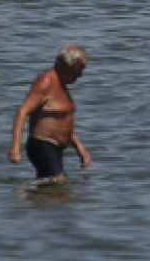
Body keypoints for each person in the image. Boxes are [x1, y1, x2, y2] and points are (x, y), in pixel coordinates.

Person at [8, 45, 91, 183]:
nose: (81, 75)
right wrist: (15, 147)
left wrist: (80, 148)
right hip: (42, 144)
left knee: (54, 188)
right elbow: (22, 111)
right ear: (68, 65)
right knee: (58, 182)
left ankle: (34, 200)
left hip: (56, 148)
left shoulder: (62, 85)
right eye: (80, 69)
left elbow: (60, 122)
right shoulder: (46, 82)